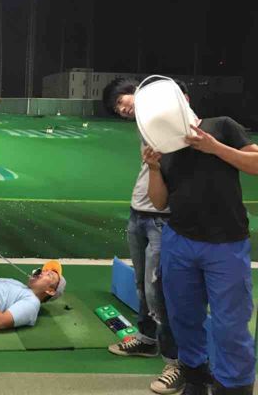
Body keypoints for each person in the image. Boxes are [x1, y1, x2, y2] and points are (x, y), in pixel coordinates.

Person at [145, 110, 258, 395]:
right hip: (179, 240)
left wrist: (215, 147)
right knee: (182, 316)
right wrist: (154, 169)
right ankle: (195, 377)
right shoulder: (163, 144)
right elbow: (159, 202)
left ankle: (233, 387)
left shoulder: (221, 126)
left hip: (226, 243)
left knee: (230, 324)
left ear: (183, 101)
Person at [102, 78, 185, 394]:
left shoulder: (166, 118)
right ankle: (148, 339)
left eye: (121, 101)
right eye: (117, 108)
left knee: (157, 290)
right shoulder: (144, 126)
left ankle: (175, 361)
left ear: (137, 91)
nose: (121, 110)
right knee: (141, 284)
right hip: (138, 213)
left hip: (162, 219)